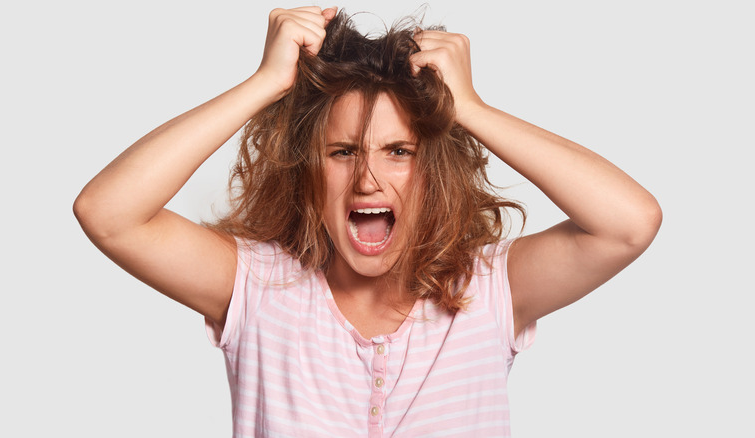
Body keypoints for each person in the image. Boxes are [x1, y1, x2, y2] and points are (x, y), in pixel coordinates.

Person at [73, 6, 661, 437]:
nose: (368, 179)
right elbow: (108, 213)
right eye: (343, 151)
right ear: (309, 170)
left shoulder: (487, 290)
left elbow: (629, 222)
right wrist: (265, 85)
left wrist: (473, 110)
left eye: (399, 152)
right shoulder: (256, 287)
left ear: (434, 172)